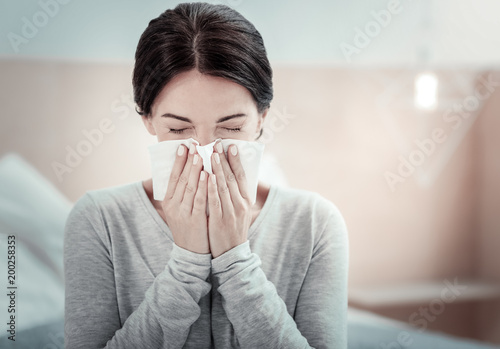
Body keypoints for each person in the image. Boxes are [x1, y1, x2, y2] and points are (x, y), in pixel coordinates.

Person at [64, 2, 349, 348]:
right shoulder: (99, 220)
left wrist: (236, 261)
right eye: (178, 129)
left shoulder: (315, 224)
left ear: (261, 119)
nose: (205, 150)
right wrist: (185, 263)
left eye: (230, 127)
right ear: (149, 120)